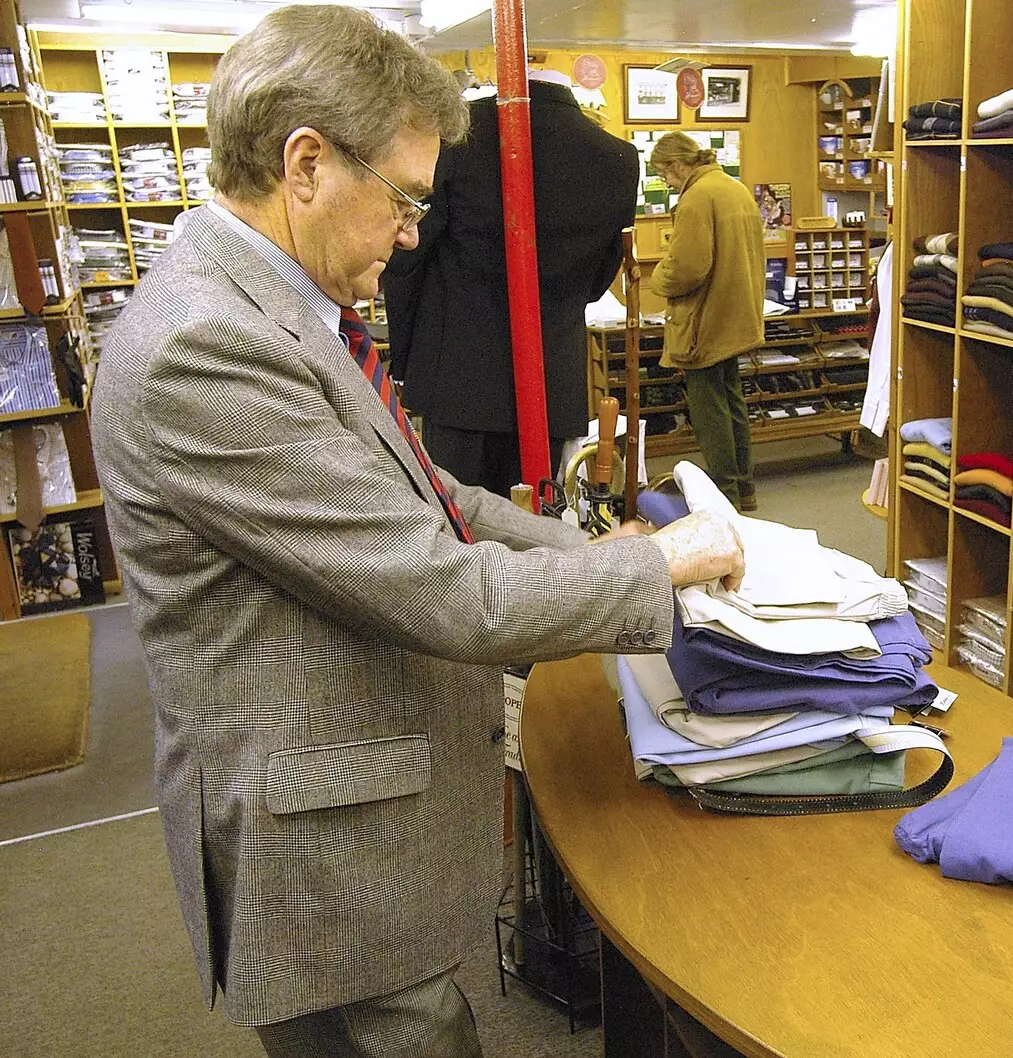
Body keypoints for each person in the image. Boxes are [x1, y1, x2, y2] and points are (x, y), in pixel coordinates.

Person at [88, 8, 742, 1056]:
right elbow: (445, 588)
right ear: (305, 164)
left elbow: (428, 491)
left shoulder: (275, 307)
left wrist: (595, 552)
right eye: (402, 199)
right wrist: (660, 565)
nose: (409, 233)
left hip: (353, 817)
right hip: (324, 859)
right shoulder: (205, 347)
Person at [385, 68, 640, 494]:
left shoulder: (454, 142)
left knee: (459, 526)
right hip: (553, 378)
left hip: (456, 377)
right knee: (537, 527)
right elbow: (598, 282)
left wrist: (406, 364)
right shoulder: (616, 158)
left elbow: (409, 258)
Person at [648, 132, 765, 511]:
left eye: (664, 172)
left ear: (680, 164)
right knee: (732, 401)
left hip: (705, 321)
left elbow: (687, 268)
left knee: (708, 410)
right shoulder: (735, 189)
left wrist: (657, 278)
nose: (665, 180)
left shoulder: (696, 198)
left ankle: (725, 494)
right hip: (736, 314)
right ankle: (743, 486)